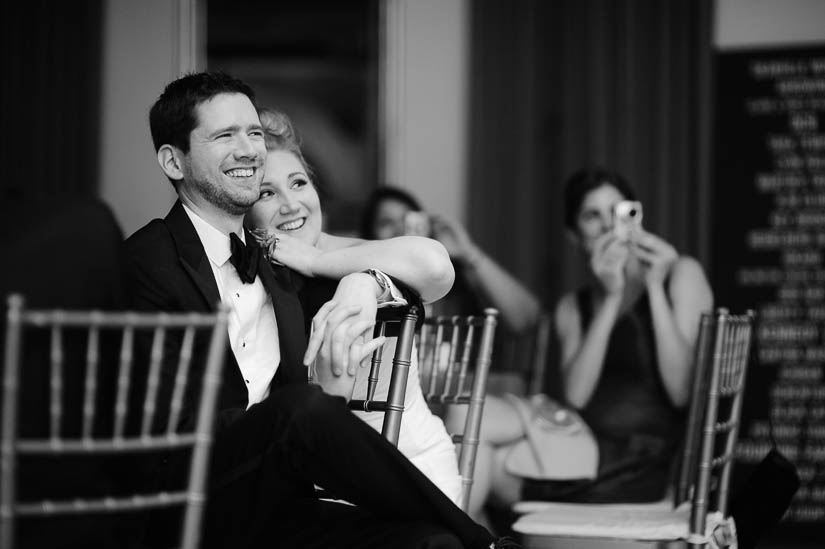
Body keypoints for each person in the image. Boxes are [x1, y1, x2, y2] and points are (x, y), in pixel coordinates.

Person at [123, 71, 511, 549]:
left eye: (253, 133)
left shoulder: (279, 262)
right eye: (225, 135)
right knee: (301, 410)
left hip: (282, 502)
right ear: (174, 161)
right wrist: (265, 423)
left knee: (429, 543)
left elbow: (427, 268)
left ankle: (464, 540)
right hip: (192, 500)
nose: (247, 149)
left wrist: (362, 281)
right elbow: (154, 429)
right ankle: (487, 543)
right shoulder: (148, 261)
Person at [457, 168, 714, 523]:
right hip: (576, 439)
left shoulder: (680, 273)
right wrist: (611, 298)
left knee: (482, 461)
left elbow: (682, 391)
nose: (609, 225)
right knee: (467, 415)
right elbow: (578, 396)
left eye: (617, 211)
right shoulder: (572, 306)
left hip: (638, 462)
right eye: (592, 215)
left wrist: (653, 287)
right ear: (575, 236)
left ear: (635, 216)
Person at [245, 106, 462, 503]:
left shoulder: (340, 251)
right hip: (316, 483)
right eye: (267, 192)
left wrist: (350, 276)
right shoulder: (243, 282)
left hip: (413, 469)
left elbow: (436, 264)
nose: (291, 204)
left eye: (298, 183)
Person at [360, 187, 542, 334]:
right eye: (386, 222)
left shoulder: (453, 276)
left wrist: (468, 252)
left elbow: (527, 319)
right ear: (369, 235)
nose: (401, 229)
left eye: (408, 219)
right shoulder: (365, 286)